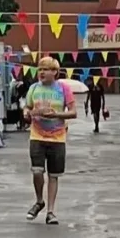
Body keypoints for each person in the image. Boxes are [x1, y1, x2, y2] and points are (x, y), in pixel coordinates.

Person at [20, 54, 78, 224]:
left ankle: (51, 211)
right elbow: (27, 107)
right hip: (37, 135)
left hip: (57, 137)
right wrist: (26, 114)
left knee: (54, 175)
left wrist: (56, 114)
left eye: (46, 69)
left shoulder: (63, 89)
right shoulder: (34, 88)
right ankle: (39, 201)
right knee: (37, 172)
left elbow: (73, 112)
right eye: (40, 69)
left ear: (55, 72)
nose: (42, 72)